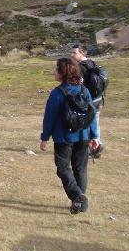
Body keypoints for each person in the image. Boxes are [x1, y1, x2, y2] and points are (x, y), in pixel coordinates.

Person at [40, 58, 100, 214]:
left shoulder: (57, 93)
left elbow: (49, 117)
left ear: (62, 73)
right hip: (83, 136)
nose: (54, 71)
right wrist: (93, 136)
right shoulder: (84, 91)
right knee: (80, 169)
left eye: (56, 69)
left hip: (64, 138)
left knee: (63, 168)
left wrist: (44, 137)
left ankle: (78, 197)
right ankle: (79, 200)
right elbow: (91, 114)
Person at [70, 44, 106, 157]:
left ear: (82, 53)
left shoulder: (81, 67)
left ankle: (96, 147)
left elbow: (78, 84)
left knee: (89, 124)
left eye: (74, 53)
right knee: (95, 122)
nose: (72, 55)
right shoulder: (92, 63)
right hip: (99, 98)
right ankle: (96, 145)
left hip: (89, 100)